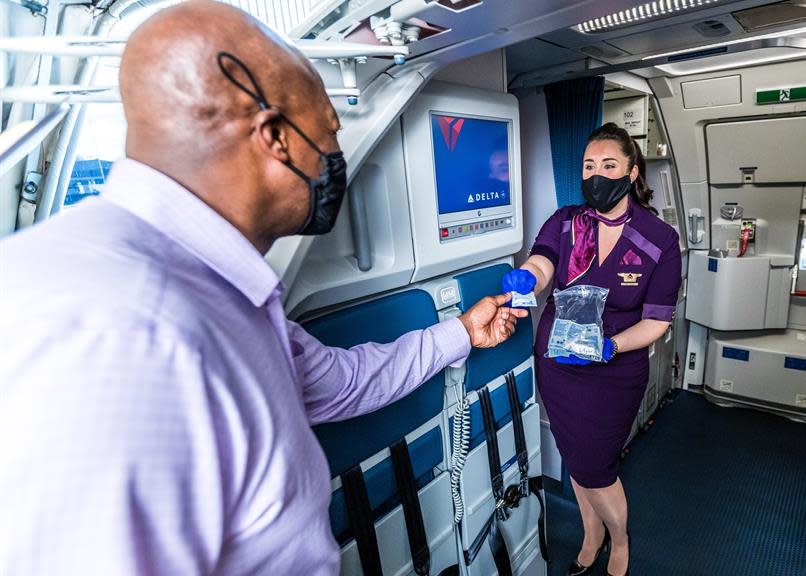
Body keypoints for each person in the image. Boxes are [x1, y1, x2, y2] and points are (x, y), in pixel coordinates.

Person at [0, 2, 527, 574]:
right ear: (276, 139)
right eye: (329, 133)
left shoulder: (218, 290)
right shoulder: (120, 336)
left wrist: (461, 332)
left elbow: (341, 384)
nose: (336, 157)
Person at [503, 123, 682, 576]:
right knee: (575, 458)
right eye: (588, 166)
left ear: (631, 172)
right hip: (559, 366)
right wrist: (529, 278)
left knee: (595, 465)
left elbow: (657, 322)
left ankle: (619, 539)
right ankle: (591, 533)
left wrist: (608, 346)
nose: (596, 175)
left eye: (608, 165)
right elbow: (544, 259)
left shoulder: (658, 239)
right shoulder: (566, 222)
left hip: (613, 372)